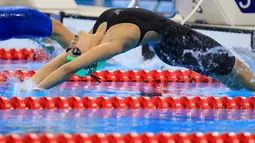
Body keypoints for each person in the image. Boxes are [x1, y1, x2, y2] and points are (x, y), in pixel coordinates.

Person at [1, 6, 255, 91]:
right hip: (183, 46)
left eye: (73, 46)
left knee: (232, 82)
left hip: (168, 46)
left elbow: (65, 62)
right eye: (76, 49)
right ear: (90, 55)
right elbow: (67, 66)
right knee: (243, 74)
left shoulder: (97, 28)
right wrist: (32, 90)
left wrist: (30, 85)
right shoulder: (114, 44)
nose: (73, 44)